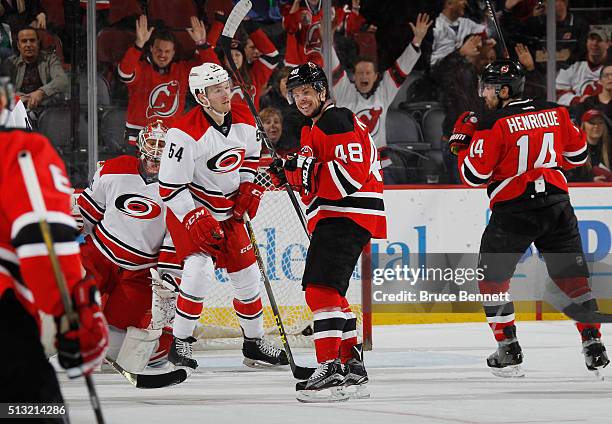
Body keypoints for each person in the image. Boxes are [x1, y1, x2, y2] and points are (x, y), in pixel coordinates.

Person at [451, 59, 609, 377]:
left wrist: (461, 144)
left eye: (489, 87)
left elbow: (472, 174)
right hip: (557, 205)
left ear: (505, 90)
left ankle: (508, 348)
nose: (483, 94)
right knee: (574, 281)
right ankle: (593, 343)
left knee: (491, 280)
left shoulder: (492, 123)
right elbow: (578, 156)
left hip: (514, 210)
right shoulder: (556, 111)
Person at [267, 62, 386, 402]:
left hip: (346, 215)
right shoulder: (316, 127)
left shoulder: (336, 119)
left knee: (318, 291)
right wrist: (290, 171)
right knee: (332, 294)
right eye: (296, 93)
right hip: (343, 216)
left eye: (307, 91)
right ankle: (351, 365)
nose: (301, 99)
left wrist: (299, 169)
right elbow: (312, 179)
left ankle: (330, 367)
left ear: (322, 91)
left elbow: (348, 177)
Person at [158, 62, 288, 371]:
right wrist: (194, 217)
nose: (226, 94)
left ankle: (254, 343)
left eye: (226, 87)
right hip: (192, 208)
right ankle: (181, 342)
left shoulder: (245, 117)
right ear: (202, 96)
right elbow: (169, 187)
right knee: (198, 271)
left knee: (248, 275)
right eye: (218, 90)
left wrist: (248, 188)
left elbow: (251, 160)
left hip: (228, 211)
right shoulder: (183, 133)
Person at [0, 74, 107, 410]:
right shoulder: (20, 150)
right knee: (32, 408)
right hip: (8, 339)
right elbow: (43, 240)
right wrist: (73, 317)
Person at [76, 120, 181, 373]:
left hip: (139, 271)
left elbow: (173, 238)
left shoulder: (179, 186)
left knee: (112, 345)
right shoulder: (114, 170)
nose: (155, 162)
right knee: (67, 294)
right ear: (141, 150)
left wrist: (167, 275)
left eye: (161, 153)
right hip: (99, 255)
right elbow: (87, 215)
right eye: (151, 153)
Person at [332, 13, 432, 148]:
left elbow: (401, 68)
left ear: (375, 76)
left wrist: (417, 40)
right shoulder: (344, 93)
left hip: (378, 163)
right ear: (353, 77)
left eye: (368, 73)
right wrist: (327, 40)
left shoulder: (383, 94)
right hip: (350, 162)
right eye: (360, 73)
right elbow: (333, 65)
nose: (364, 76)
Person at [118, 15, 216, 145]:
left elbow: (213, 70)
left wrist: (202, 44)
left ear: (174, 52)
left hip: (170, 142)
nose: (162, 54)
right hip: (139, 140)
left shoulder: (182, 70)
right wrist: (138, 45)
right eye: (159, 50)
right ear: (151, 49)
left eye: (167, 51)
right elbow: (124, 72)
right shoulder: (142, 69)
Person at [3, 26, 68, 117]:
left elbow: (62, 81)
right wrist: (23, 98)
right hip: (17, 111)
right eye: (24, 41)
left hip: (47, 110)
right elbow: (3, 88)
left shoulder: (50, 59)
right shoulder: (10, 63)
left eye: (32, 40)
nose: (28, 45)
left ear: (38, 42)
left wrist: (41, 92)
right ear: (18, 45)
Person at [556, 28, 609, 106]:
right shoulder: (572, 63)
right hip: (575, 113)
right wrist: (579, 101)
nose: (594, 43)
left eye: (599, 40)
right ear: (587, 42)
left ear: (608, 44)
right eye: (591, 39)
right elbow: (558, 92)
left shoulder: (610, 65)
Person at [430, 0, 486, 67]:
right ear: (449, 3)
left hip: (466, 72)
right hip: (442, 73)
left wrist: (486, 41)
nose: (465, 2)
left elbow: (485, 32)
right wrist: (459, 53)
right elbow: (430, 62)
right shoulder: (435, 27)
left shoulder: (467, 23)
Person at [565, 109, 612, 183]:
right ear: (584, 125)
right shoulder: (575, 150)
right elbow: (568, 177)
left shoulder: (609, 149)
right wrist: (591, 181)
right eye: (592, 123)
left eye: (600, 123)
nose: (596, 126)